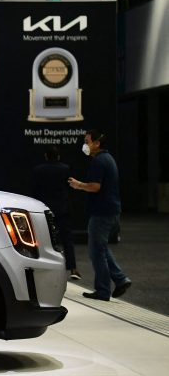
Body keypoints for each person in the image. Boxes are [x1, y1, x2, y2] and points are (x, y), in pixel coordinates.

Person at [68, 129, 131, 301]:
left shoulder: (99, 161)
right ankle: (120, 279)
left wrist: (78, 185)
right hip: (111, 210)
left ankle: (103, 290)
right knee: (101, 247)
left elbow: (95, 187)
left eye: (87, 141)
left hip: (102, 212)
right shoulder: (108, 158)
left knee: (96, 251)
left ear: (97, 143)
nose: (85, 145)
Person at [32, 146, 79, 280]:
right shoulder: (66, 169)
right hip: (62, 208)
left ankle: (45, 268)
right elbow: (70, 187)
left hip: (44, 210)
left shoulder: (38, 170)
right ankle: (73, 269)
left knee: (44, 240)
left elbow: (34, 190)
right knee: (67, 239)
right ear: (58, 157)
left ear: (46, 156)